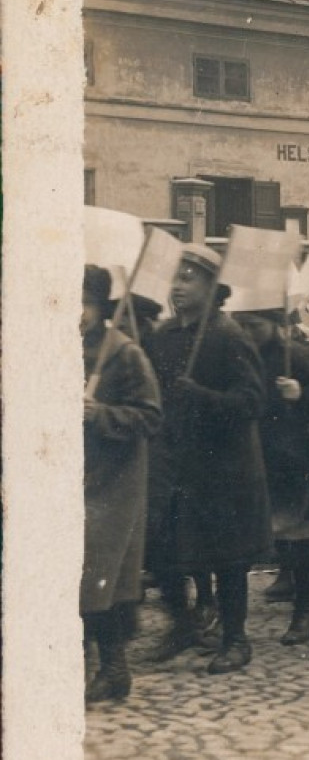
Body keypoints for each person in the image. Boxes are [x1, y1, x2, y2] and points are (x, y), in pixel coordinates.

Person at [142, 244, 271, 675]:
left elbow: (253, 402)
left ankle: (236, 639)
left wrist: (202, 397)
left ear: (213, 287)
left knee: (229, 558)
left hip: (226, 467)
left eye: (188, 278)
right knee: (167, 551)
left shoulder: (229, 335)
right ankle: (182, 626)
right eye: (175, 277)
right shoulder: (163, 337)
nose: (177, 286)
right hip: (180, 464)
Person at [81, 265, 163, 702]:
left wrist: (101, 415)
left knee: (101, 575)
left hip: (112, 482)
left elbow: (150, 415)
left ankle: (113, 669)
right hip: (68, 476)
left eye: (85, 303)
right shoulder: (45, 343)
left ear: (100, 306)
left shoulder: (124, 353)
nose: (75, 313)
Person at [234, 306, 309, 647]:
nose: (247, 331)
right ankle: (231, 622)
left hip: (293, 459)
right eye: (241, 324)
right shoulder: (239, 356)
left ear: (275, 325)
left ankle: (304, 611)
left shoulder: (296, 357)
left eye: (255, 325)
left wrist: (300, 394)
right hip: (253, 457)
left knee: (297, 541)